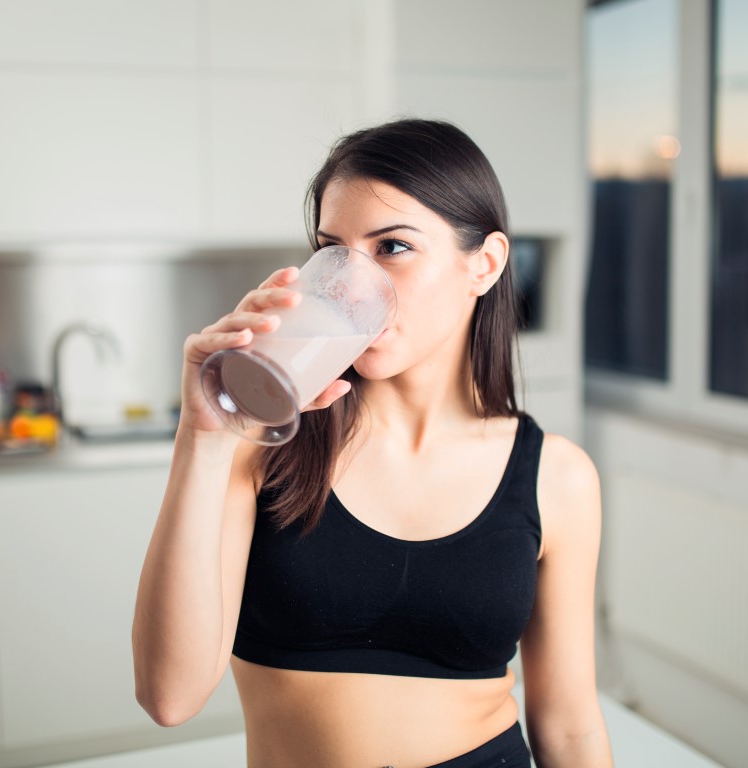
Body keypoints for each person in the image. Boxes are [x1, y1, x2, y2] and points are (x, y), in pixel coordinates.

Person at [132, 118, 613, 768]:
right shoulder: (264, 446)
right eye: (335, 252)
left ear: (485, 264)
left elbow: (571, 726)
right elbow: (169, 696)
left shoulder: (556, 477)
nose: (356, 285)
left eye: (392, 248)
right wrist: (203, 437)